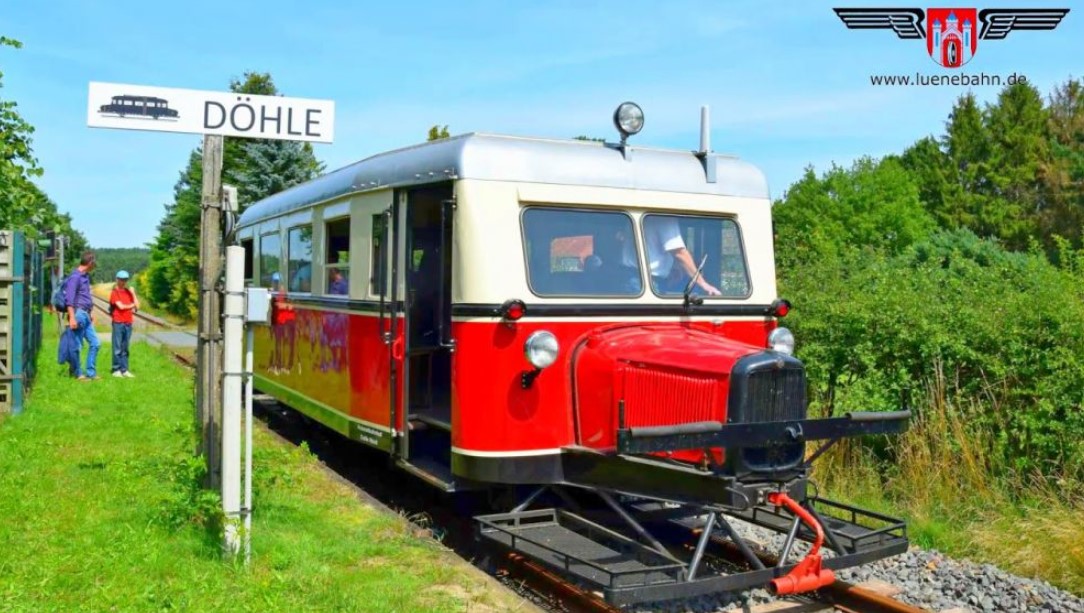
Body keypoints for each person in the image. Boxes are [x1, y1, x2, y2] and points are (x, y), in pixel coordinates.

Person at [623, 216, 720, 296]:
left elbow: (654, 249)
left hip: (631, 276)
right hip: (645, 282)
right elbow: (679, 253)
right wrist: (704, 284)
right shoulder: (663, 218)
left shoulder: (650, 218)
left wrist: (673, 270)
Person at [65, 251, 101, 381]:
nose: (94, 265)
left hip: (85, 314)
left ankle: (91, 373)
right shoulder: (75, 277)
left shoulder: (85, 276)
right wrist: (72, 317)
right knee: (77, 345)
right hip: (78, 314)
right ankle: (78, 373)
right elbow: (69, 299)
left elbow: (85, 296)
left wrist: (90, 314)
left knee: (95, 343)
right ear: (90, 262)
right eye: (94, 263)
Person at [109, 270, 139, 377]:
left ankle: (124, 369)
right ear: (117, 279)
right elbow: (121, 307)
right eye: (121, 279)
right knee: (117, 347)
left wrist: (133, 293)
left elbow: (138, 306)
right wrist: (131, 305)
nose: (123, 282)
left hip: (128, 322)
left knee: (125, 347)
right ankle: (116, 369)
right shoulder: (114, 293)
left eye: (125, 279)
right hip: (118, 322)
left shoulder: (128, 292)